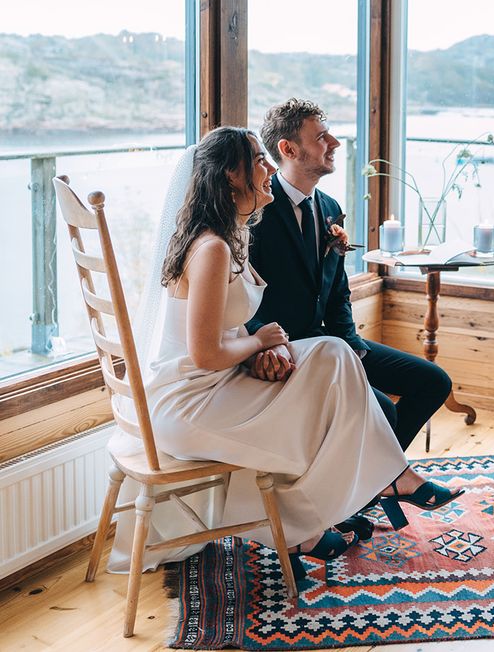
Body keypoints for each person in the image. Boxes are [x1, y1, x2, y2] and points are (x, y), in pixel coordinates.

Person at [108, 127, 462, 580]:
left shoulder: (223, 238)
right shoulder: (212, 247)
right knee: (323, 408)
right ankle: (316, 518)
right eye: (259, 160)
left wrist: (268, 345)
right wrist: (260, 342)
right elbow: (205, 355)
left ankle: (367, 489)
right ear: (232, 175)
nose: (270, 169)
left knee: (335, 355)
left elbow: (224, 334)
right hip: (190, 405)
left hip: (214, 387)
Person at [246, 98, 452, 453]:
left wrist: (352, 344)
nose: (335, 144)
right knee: (382, 408)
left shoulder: (329, 208)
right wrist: (264, 343)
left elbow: (337, 293)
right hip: (287, 349)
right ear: (288, 149)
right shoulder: (257, 212)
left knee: (433, 381)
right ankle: (368, 482)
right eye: (322, 137)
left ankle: (376, 478)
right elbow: (240, 295)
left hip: (330, 339)